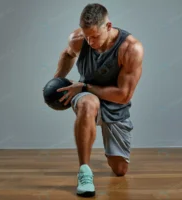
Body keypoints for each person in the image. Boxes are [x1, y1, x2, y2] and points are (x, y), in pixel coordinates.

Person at [53, 3, 144, 197]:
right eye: (87, 37)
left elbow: (123, 95)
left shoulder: (130, 48)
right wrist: (56, 81)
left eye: (95, 36)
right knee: (88, 103)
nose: (90, 42)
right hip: (86, 93)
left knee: (119, 170)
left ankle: (109, 147)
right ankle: (84, 171)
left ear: (108, 26)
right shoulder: (79, 39)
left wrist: (84, 86)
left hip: (114, 102)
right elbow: (68, 54)